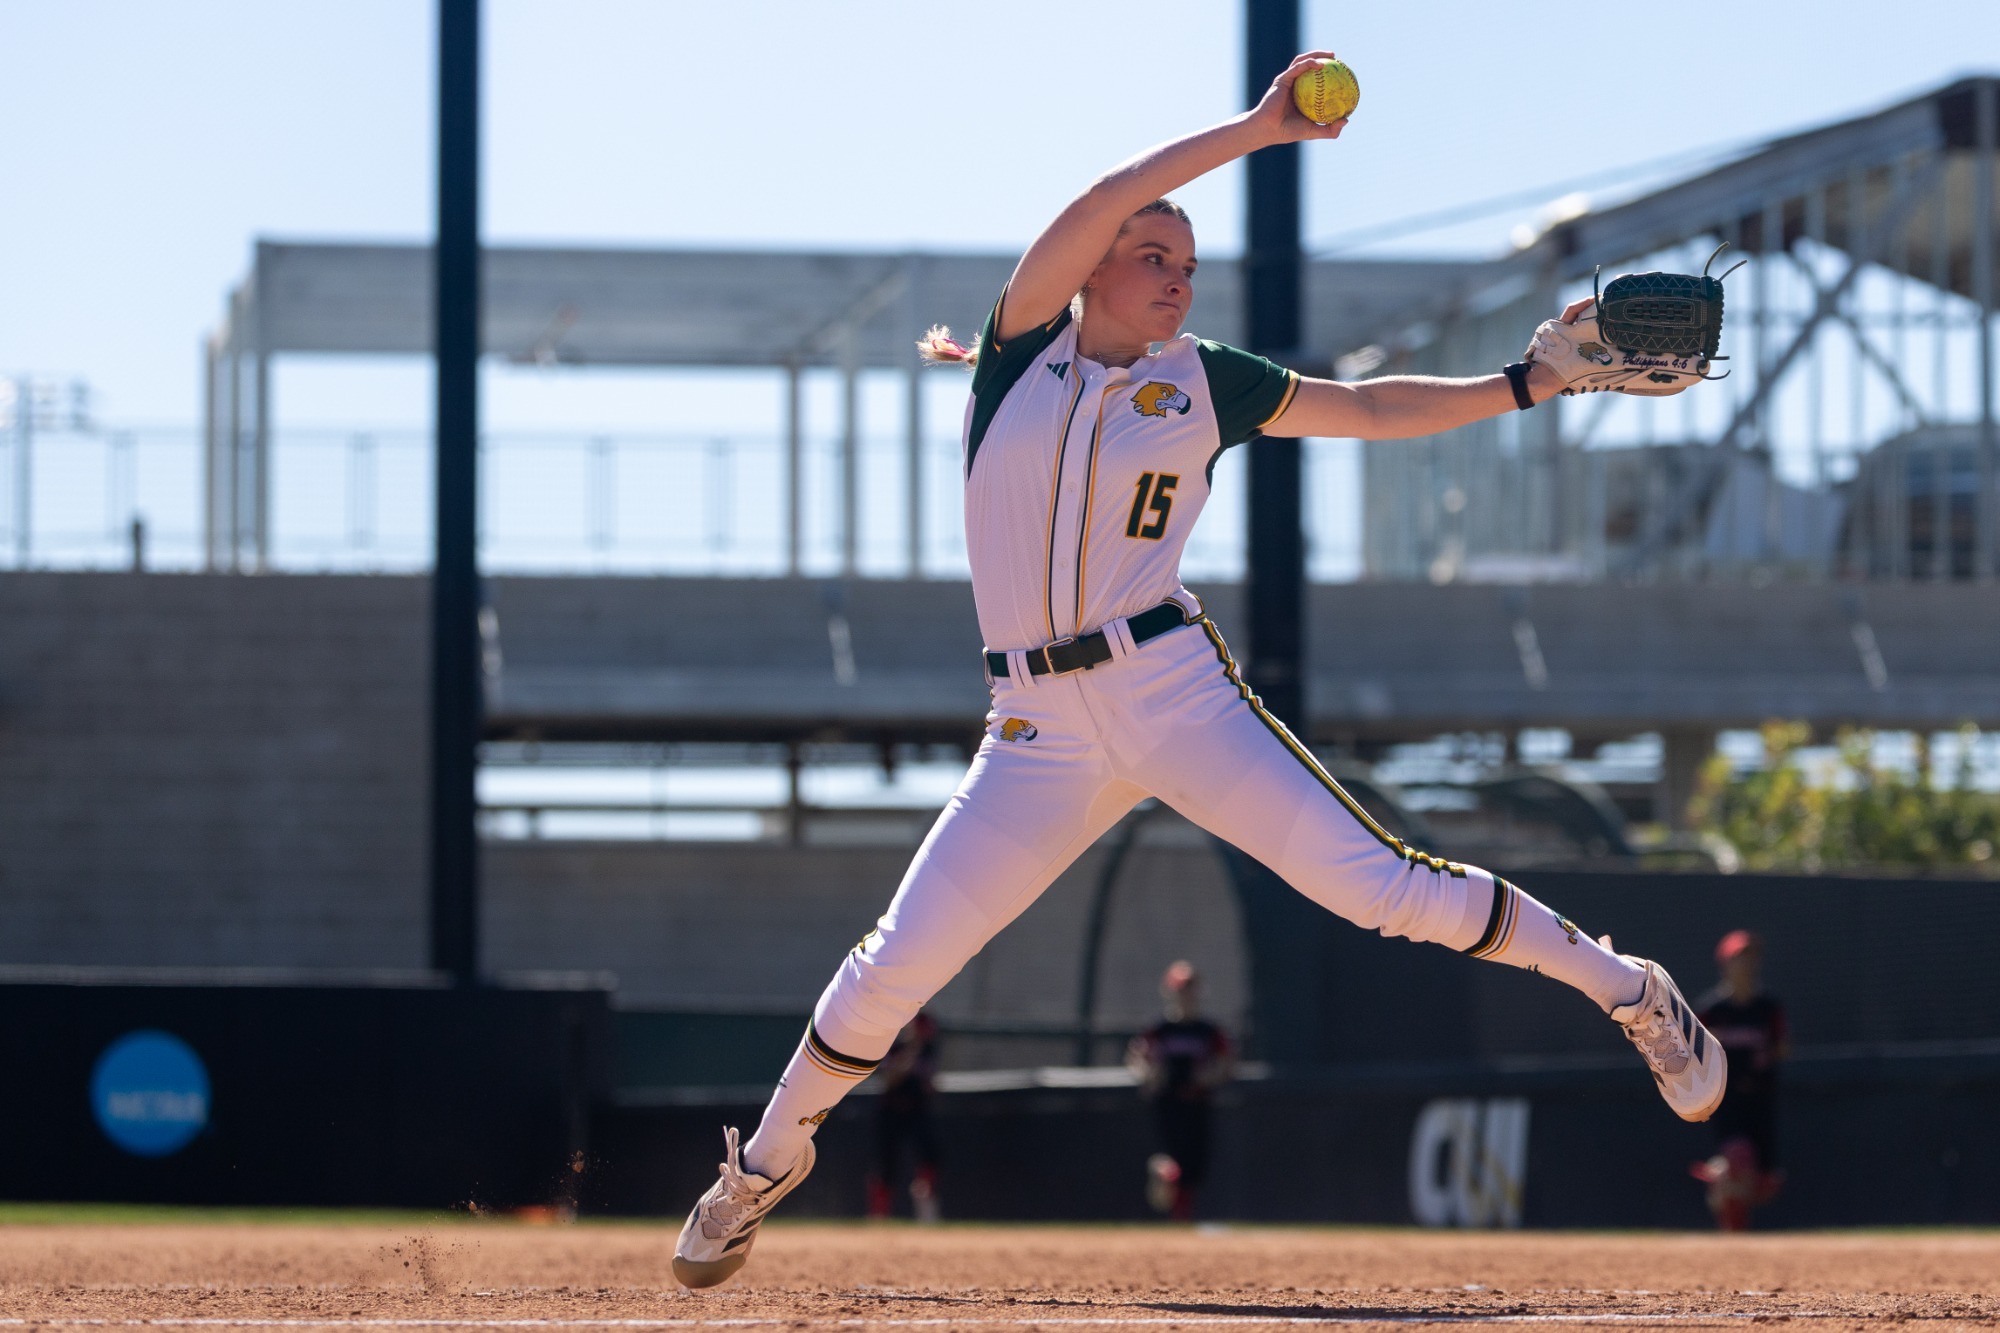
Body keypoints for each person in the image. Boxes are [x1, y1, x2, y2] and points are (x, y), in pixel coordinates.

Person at [671, 51, 1726, 1289]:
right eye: (1150, 257)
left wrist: (1521, 382)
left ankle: (1628, 989)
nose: (1174, 279)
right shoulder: (1022, 350)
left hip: (1168, 688)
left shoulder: (1204, 381)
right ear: (1090, 271)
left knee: (1383, 887)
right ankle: (765, 1164)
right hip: (1035, 727)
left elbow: (1371, 411)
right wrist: (1256, 131)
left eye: (1185, 265)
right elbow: (1100, 196)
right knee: (895, 962)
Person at [1691, 930, 1787, 1230]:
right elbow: (1693, 1052)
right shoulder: (1711, 1010)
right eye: (1738, 959)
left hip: (1760, 1098)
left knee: (1764, 1182)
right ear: (1725, 964)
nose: (1745, 965)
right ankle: (1729, 1202)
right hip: (1725, 1100)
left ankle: (1723, 1184)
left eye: (1750, 958)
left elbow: (1782, 1048)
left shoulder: (1768, 1008)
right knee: (1738, 1158)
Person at [1127, 962, 1234, 1221]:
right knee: (1175, 1157)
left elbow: (1227, 1061)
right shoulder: (1160, 1029)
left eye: (1190, 989)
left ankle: (1178, 1211)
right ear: (1170, 991)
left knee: (1195, 1167)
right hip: (1167, 1104)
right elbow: (1137, 1057)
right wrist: (1148, 1074)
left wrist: (1212, 1075)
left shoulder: (1207, 1031)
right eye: (1180, 989)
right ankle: (1167, 1178)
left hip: (1197, 1103)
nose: (1186, 995)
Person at [866, 1011, 943, 1223]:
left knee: (930, 1156)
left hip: (917, 1111)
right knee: (886, 1164)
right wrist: (911, 1051)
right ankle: (879, 1216)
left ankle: (926, 1204)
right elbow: (890, 1080)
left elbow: (930, 1085)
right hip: (891, 1112)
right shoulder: (896, 1046)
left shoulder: (929, 1050)